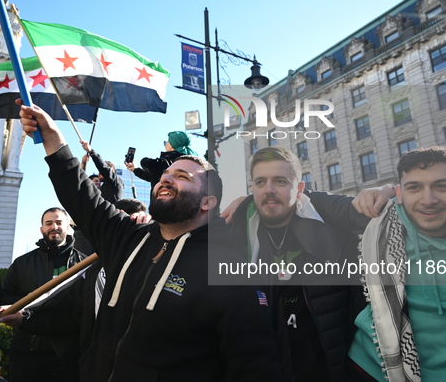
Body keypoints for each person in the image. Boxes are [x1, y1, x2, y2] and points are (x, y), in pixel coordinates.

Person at [17, 101, 283, 382]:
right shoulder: (127, 238)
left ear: (208, 202)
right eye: (164, 176)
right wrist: (52, 137)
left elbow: (256, 367)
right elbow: (80, 194)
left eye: (181, 177)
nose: (165, 181)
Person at [305, 146, 446, 381]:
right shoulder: (374, 221)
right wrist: (251, 202)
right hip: (371, 370)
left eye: (441, 186)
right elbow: (310, 198)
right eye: (414, 188)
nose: (428, 200)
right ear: (399, 193)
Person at [222, 146, 360, 381]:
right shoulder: (233, 234)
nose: (269, 190)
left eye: (280, 181)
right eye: (260, 182)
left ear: (300, 190)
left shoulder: (334, 230)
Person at [0, 207, 87, 382]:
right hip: (27, 351)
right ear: (42, 229)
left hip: (67, 354)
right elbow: (4, 297)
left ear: (68, 227)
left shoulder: (84, 264)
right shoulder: (22, 263)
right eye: (49, 223)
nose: (54, 226)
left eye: (59, 222)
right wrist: (32, 302)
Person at [125, 130, 197, 189]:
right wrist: (134, 169)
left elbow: (154, 165)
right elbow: (151, 176)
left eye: (167, 142)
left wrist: (144, 161)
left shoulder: (174, 160)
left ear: (173, 144)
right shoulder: (190, 160)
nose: (165, 144)